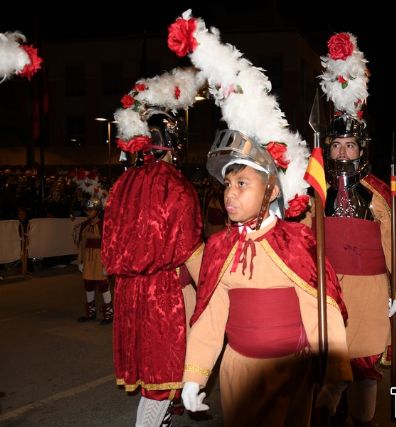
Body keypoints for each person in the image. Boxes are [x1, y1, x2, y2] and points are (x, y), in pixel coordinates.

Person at [168, 13, 352, 425]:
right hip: (237, 372)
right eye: (227, 184)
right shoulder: (218, 248)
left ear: (270, 190)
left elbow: (319, 311)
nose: (230, 194)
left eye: (242, 184)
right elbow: (210, 318)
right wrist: (194, 377)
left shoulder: (296, 244)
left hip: (291, 374)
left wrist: (334, 378)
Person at [318, 32, 396, 426]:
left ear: (362, 150)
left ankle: (363, 421)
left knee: (364, 367)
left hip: (370, 290)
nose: (342, 151)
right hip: (328, 290)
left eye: (350, 146)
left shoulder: (376, 193)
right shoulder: (315, 190)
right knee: (330, 369)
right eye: (336, 145)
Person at [102, 68, 205, 427]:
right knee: (162, 379)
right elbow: (190, 249)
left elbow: (111, 245)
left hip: (129, 292)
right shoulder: (177, 186)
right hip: (165, 293)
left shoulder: (121, 185)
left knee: (152, 376)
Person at [75, 196, 112, 324]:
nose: (88, 212)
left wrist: (107, 263)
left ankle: (108, 314)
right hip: (88, 260)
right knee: (88, 285)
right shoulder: (85, 225)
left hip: (100, 259)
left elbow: (108, 245)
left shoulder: (103, 225)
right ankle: (90, 313)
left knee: (103, 285)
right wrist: (80, 261)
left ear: (98, 210)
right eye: (87, 210)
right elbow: (81, 244)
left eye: (91, 210)